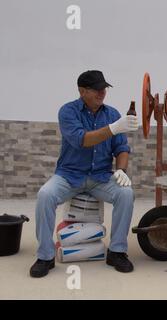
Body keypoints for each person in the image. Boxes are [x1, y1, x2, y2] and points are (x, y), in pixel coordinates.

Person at [30, 70, 139, 278]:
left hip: (100, 177)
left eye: (104, 88)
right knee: (45, 195)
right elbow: (83, 140)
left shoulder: (112, 114)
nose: (102, 92)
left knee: (126, 194)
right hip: (70, 175)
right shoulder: (68, 112)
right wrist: (114, 128)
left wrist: (122, 171)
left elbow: (121, 148)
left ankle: (117, 252)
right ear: (82, 91)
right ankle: (45, 256)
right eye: (96, 89)